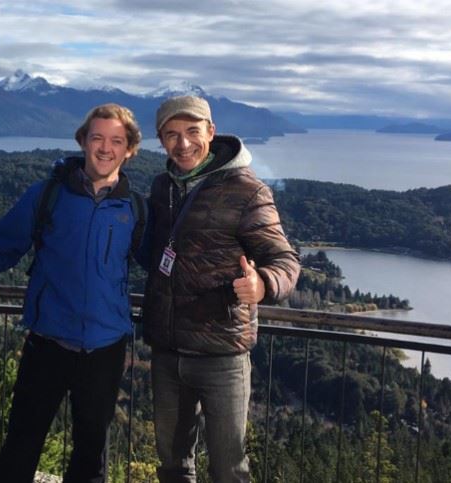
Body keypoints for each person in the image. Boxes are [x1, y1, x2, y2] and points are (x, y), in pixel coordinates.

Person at [0, 103, 144, 483]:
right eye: (97, 137)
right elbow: (1, 246)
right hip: (47, 344)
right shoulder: (48, 195)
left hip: (106, 349)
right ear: (83, 141)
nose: (105, 147)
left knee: (90, 456)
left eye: (116, 140)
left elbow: (167, 260)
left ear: (129, 150)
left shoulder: (136, 208)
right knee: (20, 449)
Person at [140, 95, 300, 482]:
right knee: (174, 467)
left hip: (221, 354)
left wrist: (263, 284)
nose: (183, 144)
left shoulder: (248, 191)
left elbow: (285, 260)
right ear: (160, 139)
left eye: (193, 132)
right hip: (167, 349)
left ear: (211, 132)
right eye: (172, 135)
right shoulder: (164, 187)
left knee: (229, 470)